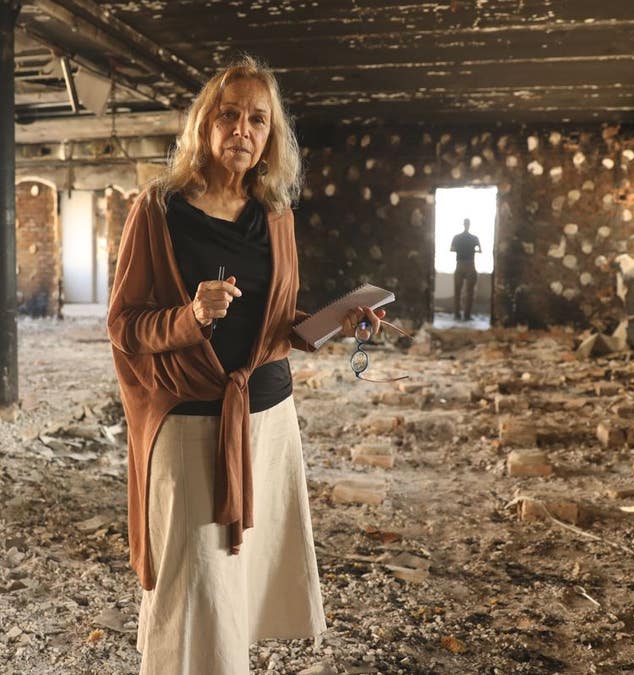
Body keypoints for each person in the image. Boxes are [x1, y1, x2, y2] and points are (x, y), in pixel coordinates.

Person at [106, 56, 386, 675]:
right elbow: (124, 327)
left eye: (257, 119)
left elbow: (279, 324)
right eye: (229, 114)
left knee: (241, 581)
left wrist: (338, 322)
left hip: (269, 420)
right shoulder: (159, 208)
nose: (242, 129)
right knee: (194, 583)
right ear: (205, 124)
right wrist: (191, 316)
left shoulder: (275, 214)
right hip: (191, 423)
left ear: (270, 137)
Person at [449, 218, 482, 320]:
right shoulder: (474, 238)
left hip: (460, 264)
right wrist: (472, 250)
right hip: (470, 264)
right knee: (470, 292)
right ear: (469, 225)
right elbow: (480, 250)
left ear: (463, 224)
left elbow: (451, 249)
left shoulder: (457, 237)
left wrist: (460, 249)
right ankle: (467, 315)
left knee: (457, 291)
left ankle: (457, 314)